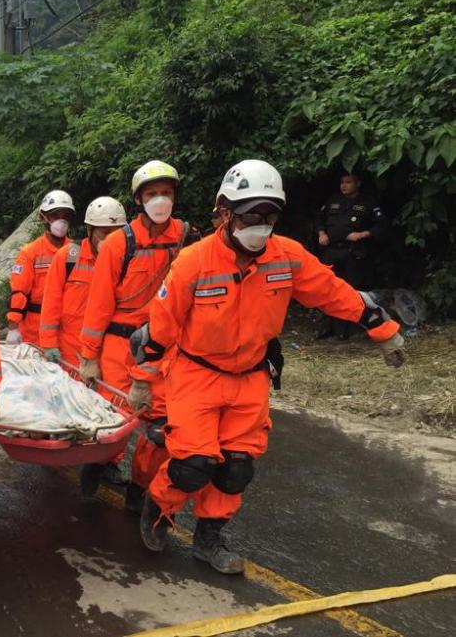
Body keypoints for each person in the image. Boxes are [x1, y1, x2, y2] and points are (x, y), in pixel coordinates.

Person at [135, 160, 405, 574]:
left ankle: (209, 540)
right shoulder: (194, 262)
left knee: (235, 468)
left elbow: (335, 293)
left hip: (251, 377)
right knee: (192, 466)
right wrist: (143, 378)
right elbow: (161, 325)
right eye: (250, 215)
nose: (260, 224)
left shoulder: (287, 257)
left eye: (269, 215)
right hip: (197, 375)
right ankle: (160, 511)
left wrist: (382, 329)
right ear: (225, 212)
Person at [78, 161, 189, 501]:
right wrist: (88, 358)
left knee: (160, 426)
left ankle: (140, 489)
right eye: (152, 194)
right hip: (118, 345)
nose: (160, 200)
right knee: (111, 420)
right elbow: (97, 306)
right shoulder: (118, 244)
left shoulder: (184, 238)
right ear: (139, 200)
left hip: (161, 347)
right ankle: (98, 467)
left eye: (166, 193)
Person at [39, 197, 127, 370]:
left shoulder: (127, 260)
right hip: (70, 353)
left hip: (109, 355)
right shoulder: (69, 257)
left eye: (116, 233)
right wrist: (49, 344)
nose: (110, 239)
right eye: (104, 232)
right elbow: (51, 302)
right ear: (90, 230)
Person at [316, 173, 387, 340]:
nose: (344, 185)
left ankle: (344, 330)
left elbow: (382, 226)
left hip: (352, 253)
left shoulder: (368, 202)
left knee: (349, 291)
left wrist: (363, 234)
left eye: (348, 182)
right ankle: (326, 328)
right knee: (326, 289)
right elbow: (319, 218)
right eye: (342, 182)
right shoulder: (333, 200)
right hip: (331, 252)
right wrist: (321, 233)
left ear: (358, 183)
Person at [6, 190, 75, 346]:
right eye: (56, 216)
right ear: (43, 217)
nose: (61, 221)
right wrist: (13, 326)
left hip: (67, 326)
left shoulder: (75, 251)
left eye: (65, 216)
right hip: (34, 327)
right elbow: (19, 291)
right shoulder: (30, 252)